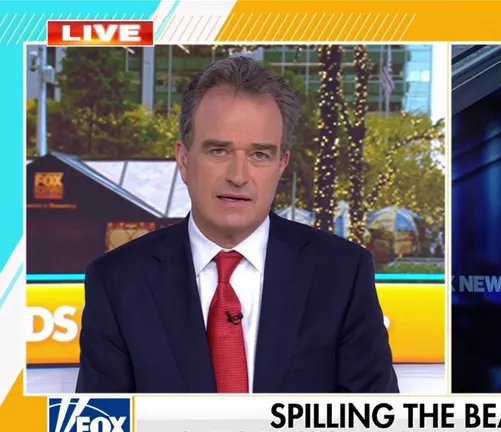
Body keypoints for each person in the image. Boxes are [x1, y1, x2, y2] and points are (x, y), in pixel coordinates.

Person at [76, 57, 399, 393]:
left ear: (281, 164)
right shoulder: (117, 282)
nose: (238, 176)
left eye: (259, 154)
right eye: (218, 151)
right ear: (184, 160)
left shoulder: (342, 274)